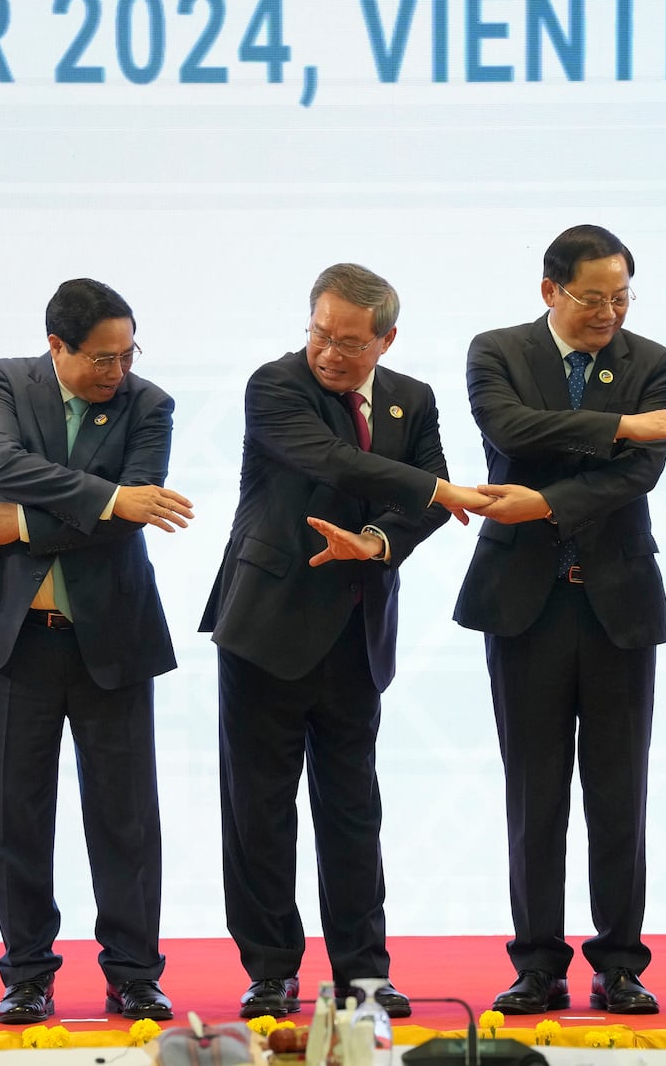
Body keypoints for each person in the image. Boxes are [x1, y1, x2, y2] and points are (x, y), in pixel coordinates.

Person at [199, 262, 489, 1020]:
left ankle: (365, 972)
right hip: (265, 623)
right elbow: (332, 460)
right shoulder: (276, 385)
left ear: (386, 339)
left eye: (351, 341)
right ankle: (270, 968)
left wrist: (375, 540)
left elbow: (428, 497)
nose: (330, 351)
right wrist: (431, 492)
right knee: (260, 806)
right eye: (321, 333)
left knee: (353, 808)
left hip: (356, 632)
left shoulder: (412, 400)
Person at [453, 225, 666, 1017]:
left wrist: (550, 501)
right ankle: (537, 964)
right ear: (549, 290)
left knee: (618, 788)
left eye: (621, 296)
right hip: (523, 601)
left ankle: (620, 963)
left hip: (617, 600)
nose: (609, 312)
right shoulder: (496, 350)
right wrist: (620, 425)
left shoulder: (651, 361)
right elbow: (510, 428)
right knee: (534, 790)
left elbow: (638, 477)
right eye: (593, 297)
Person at [0, 278, 190, 1026]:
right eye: (102, 357)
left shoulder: (151, 403)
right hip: (15, 636)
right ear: (57, 346)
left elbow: (136, 512)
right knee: (13, 812)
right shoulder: (0, 380)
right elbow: (2, 466)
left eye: (127, 353)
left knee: (126, 816)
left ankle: (135, 972)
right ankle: (28, 973)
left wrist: (32, 526)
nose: (118, 370)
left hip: (113, 635)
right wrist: (106, 496)